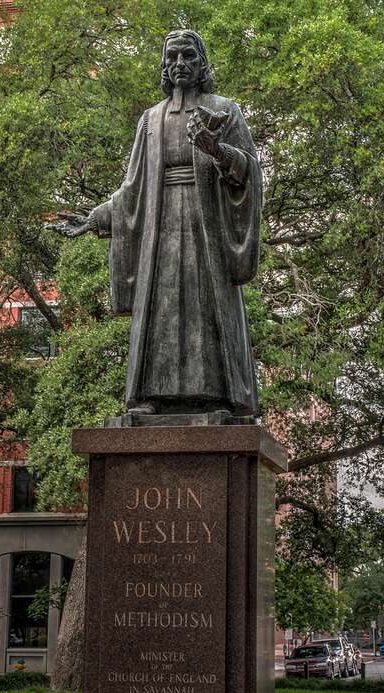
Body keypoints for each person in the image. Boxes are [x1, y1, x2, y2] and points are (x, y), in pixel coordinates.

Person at [48, 30, 262, 417]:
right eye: (172, 56)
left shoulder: (224, 110)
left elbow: (248, 171)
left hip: (204, 227)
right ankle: (153, 396)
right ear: (165, 65)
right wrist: (97, 217)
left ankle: (216, 397)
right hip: (159, 231)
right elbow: (133, 188)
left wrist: (217, 149)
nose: (179, 63)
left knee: (205, 305)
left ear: (201, 64)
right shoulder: (152, 119)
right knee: (159, 309)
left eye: (188, 56)